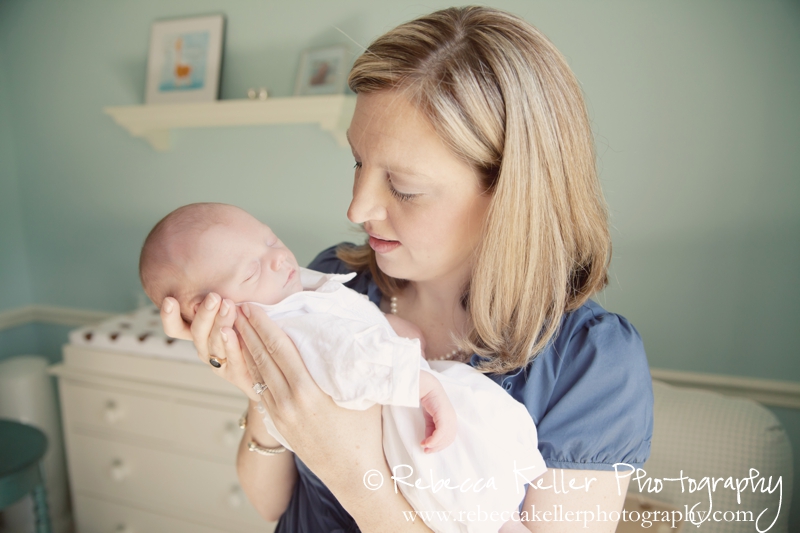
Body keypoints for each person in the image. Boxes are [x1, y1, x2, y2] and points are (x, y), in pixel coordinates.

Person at [159, 6, 653, 532]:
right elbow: (275, 507)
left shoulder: (591, 367)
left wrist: (351, 470)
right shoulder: (334, 285)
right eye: (357, 162)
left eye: (404, 187)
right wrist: (259, 386)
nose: (357, 208)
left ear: (511, 194)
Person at [139, 202, 546, 532]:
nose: (278, 258)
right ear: (209, 307)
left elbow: (345, 319)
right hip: (399, 422)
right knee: (451, 481)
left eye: (270, 239)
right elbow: (344, 359)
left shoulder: (295, 286)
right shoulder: (279, 320)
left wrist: (389, 328)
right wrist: (415, 381)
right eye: (251, 270)